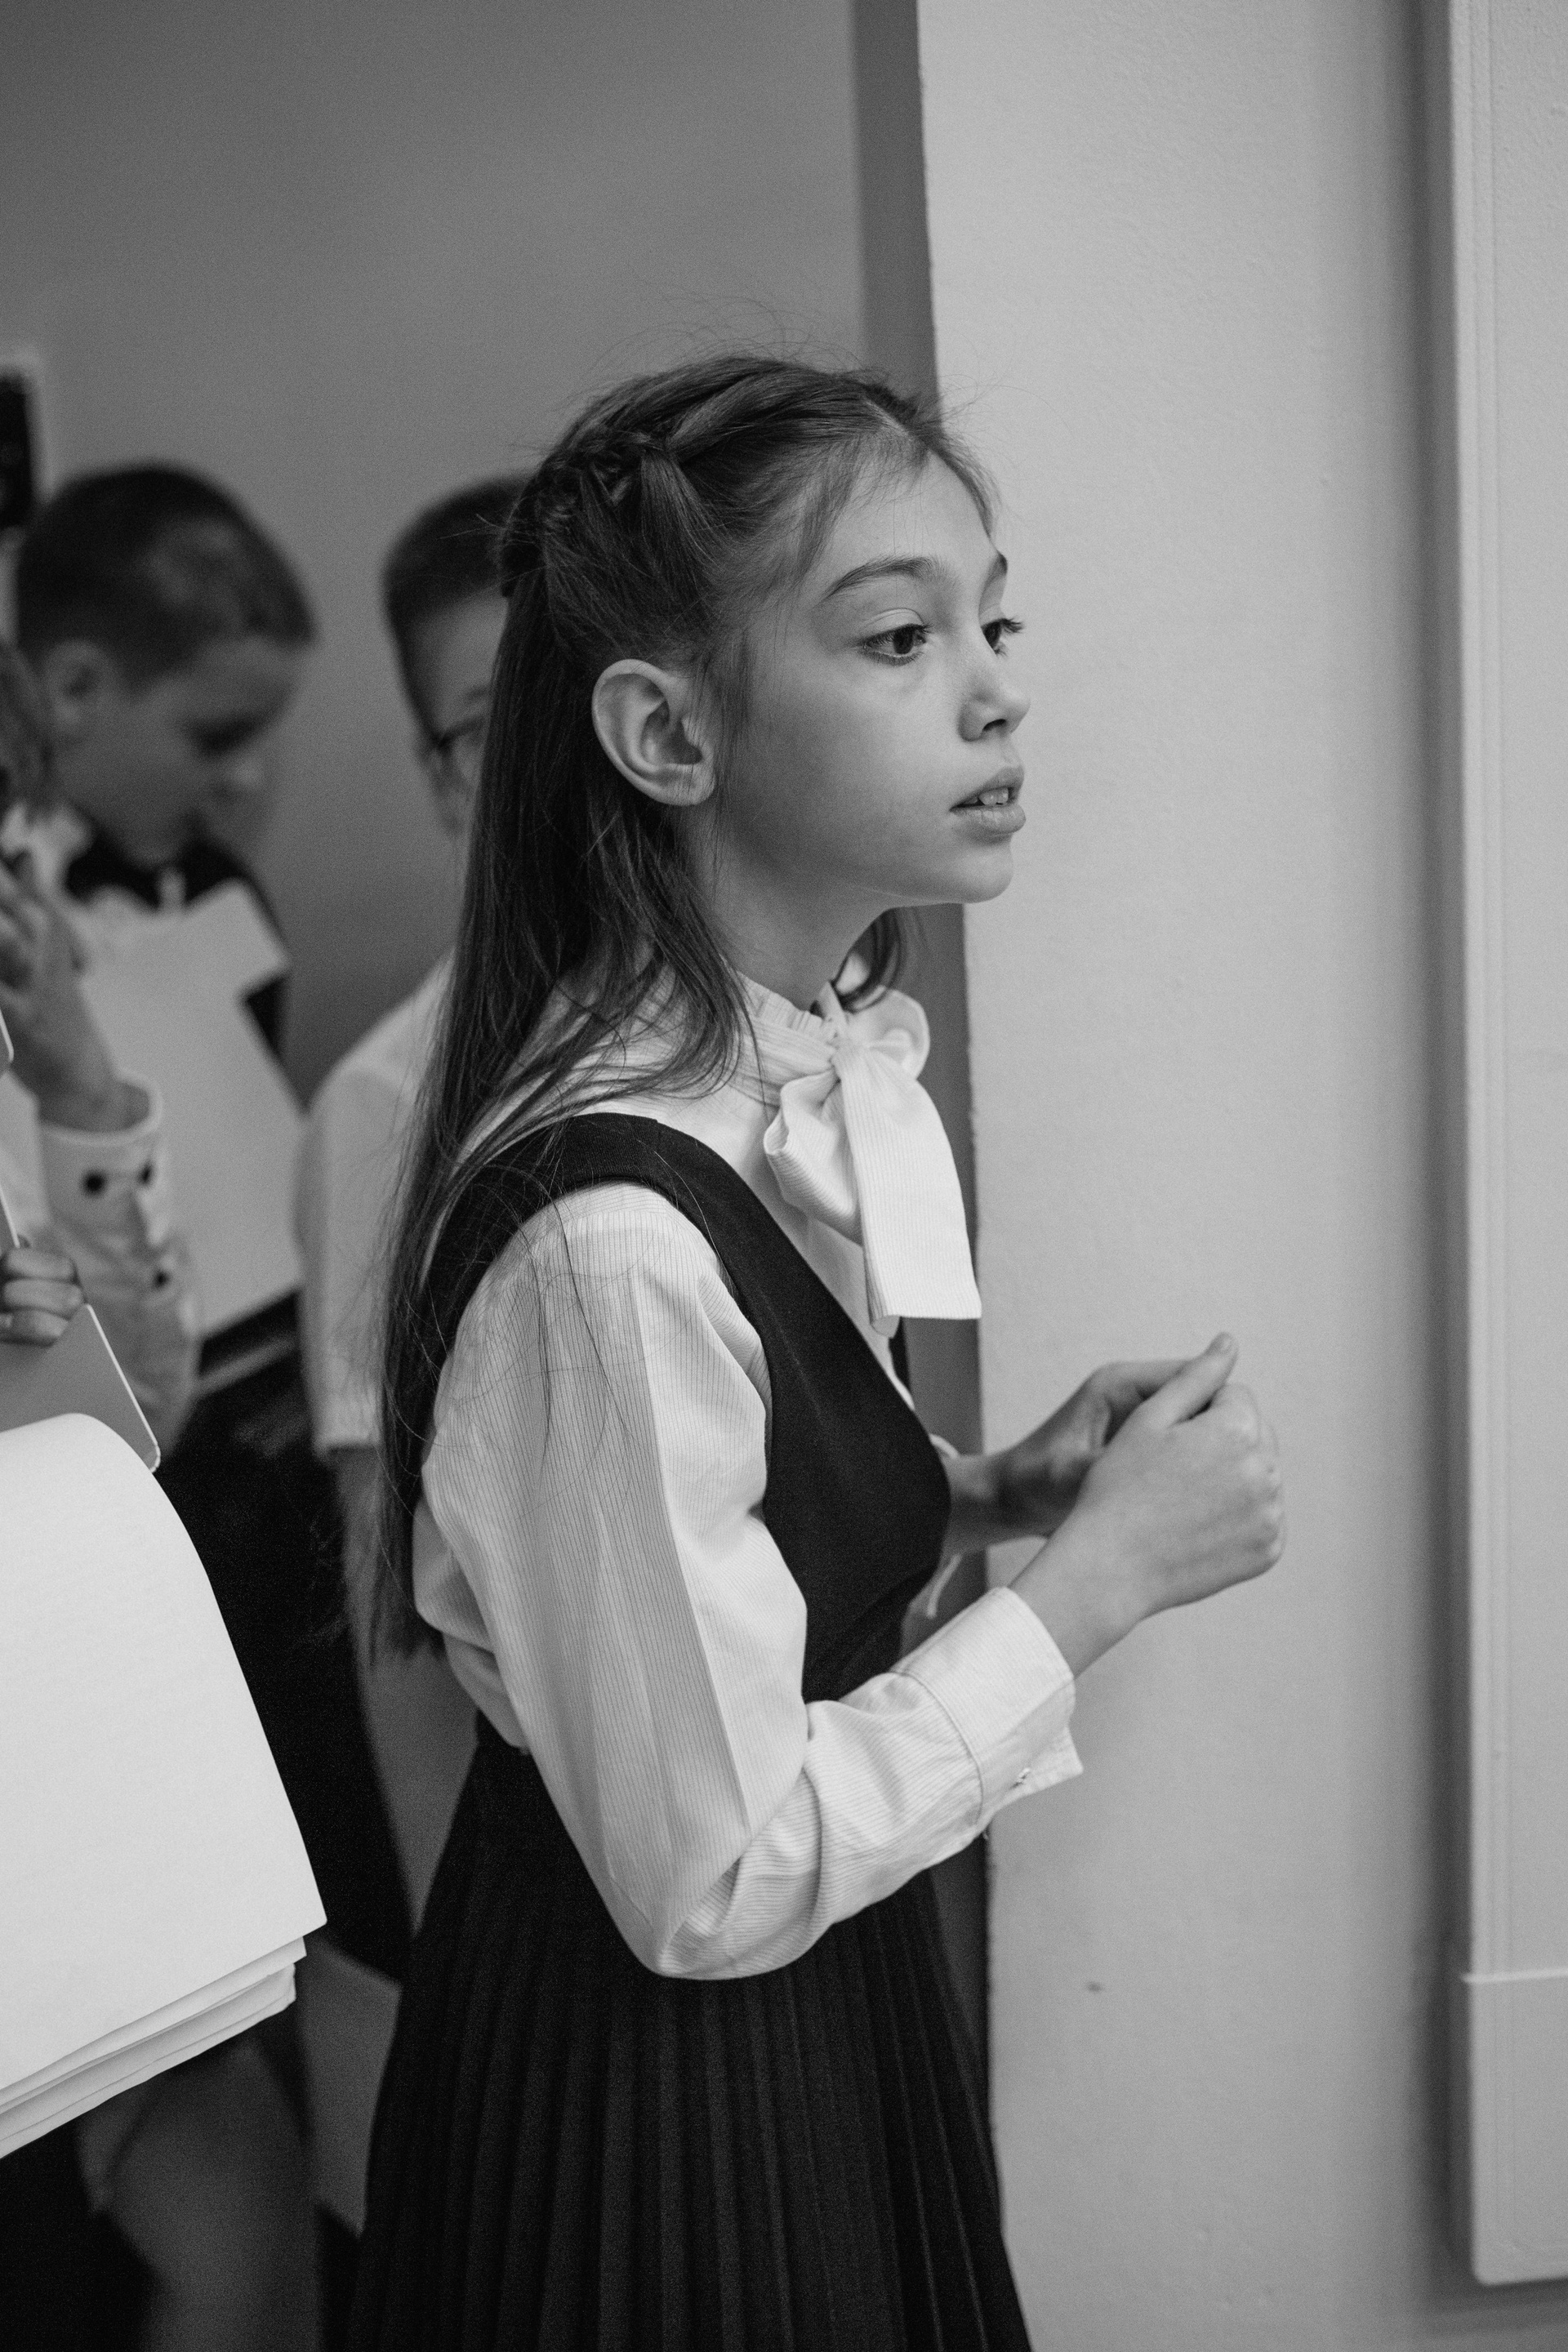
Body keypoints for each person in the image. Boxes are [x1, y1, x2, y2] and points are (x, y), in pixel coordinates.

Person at [348, 356, 1286, 2352]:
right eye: (897, 636)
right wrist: (1093, 1587)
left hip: (820, 2011)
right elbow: (715, 1870)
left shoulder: (774, 1089)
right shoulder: (610, 1245)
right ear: (666, 732)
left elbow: (718, 1556)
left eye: (993, 621)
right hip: (656, 2099)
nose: (997, 690)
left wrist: (991, 1492)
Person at [11, 467, 398, 2350]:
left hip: (137, 1578)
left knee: (249, 2195)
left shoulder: (134, 935)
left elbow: (139, 1384)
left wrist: (86, 1098)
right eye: (215, 735)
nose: (245, 783)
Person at [296, 474, 525, 1931]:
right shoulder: (389, 1104)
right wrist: (458, 1958)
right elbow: (390, 1580)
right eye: (496, 724)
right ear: (443, 775)